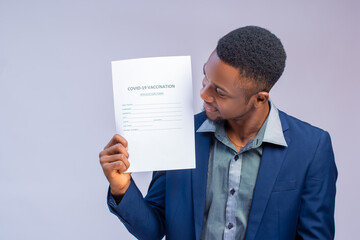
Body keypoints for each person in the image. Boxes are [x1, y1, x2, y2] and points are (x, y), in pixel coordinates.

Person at [99, 26, 337, 240]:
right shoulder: (180, 134)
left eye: (219, 91)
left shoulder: (312, 148)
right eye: (206, 77)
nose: (203, 93)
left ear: (259, 98)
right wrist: (121, 188)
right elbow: (152, 230)